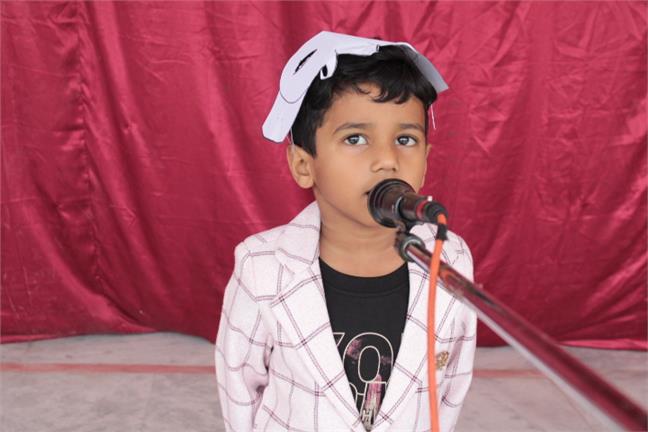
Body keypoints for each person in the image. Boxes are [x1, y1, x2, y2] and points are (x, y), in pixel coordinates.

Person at [215, 31, 476, 432]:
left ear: (425, 160)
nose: (387, 159)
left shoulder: (451, 257)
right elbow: (240, 388)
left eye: (405, 139)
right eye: (355, 138)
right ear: (304, 165)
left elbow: (452, 384)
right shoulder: (261, 266)